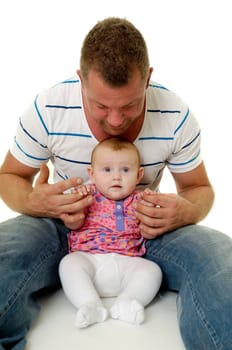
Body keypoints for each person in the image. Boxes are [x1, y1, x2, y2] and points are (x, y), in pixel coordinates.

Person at [0, 16, 231, 350]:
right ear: (81, 80)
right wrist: (37, 202)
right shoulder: (49, 108)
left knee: (221, 260)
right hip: (61, 223)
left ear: (148, 79)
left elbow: (199, 189)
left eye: (130, 105)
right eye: (100, 106)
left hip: (145, 229)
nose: (116, 120)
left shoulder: (175, 114)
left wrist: (185, 210)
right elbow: (10, 177)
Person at [59, 137, 162, 328]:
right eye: (107, 170)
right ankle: (89, 303)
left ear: (139, 175)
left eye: (125, 170)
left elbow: (149, 231)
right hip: (90, 260)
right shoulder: (86, 195)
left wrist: (153, 210)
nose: (116, 177)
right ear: (92, 173)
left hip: (128, 263)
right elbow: (72, 225)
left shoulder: (141, 200)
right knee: (69, 263)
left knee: (152, 270)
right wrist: (76, 206)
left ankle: (128, 301)